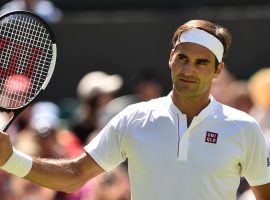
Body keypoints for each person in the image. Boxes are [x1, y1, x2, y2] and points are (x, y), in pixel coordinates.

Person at [0, 19, 270, 200]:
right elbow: (74, 176)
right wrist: (10, 158)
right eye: (183, 58)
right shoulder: (133, 118)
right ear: (171, 60)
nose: (189, 70)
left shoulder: (243, 128)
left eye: (201, 63)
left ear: (217, 70)